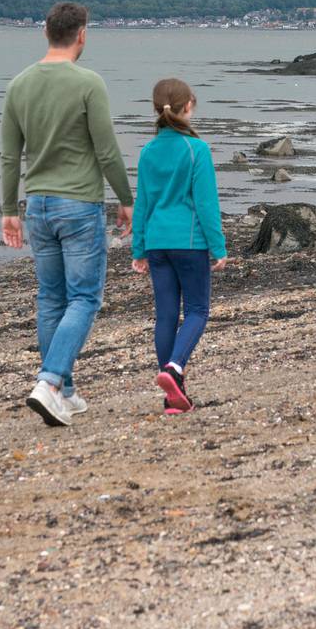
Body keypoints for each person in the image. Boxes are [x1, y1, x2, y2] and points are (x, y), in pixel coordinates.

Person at [0, 2, 134, 427]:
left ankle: (67, 391)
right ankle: (51, 381)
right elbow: (106, 149)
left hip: (36, 204)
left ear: (46, 33)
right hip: (78, 204)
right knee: (84, 297)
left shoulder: (19, 84)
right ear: (82, 35)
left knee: (51, 298)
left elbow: (9, 156)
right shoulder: (88, 83)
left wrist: (8, 209)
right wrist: (127, 198)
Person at [130, 78, 227, 414]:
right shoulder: (196, 149)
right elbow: (206, 203)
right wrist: (218, 246)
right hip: (189, 243)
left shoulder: (148, 151)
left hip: (157, 243)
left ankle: (174, 397)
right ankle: (174, 368)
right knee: (198, 310)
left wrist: (138, 249)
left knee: (166, 317)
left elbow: (142, 203)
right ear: (189, 106)